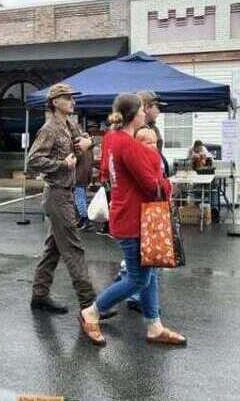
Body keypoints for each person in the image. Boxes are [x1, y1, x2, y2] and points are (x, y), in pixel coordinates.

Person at [81, 93, 185, 347]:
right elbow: (153, 187)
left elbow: (106, 172)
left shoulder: (112, 139)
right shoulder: (128, 144)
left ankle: (154, 325)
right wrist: (168, 182)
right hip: (134, 219)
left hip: (126, 214)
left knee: (147, 274)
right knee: (138, 278)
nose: (145, 114)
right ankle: (92, 312)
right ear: (133, 114)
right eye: (142, 110)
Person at [28, 82, 97, 316]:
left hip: (66, 192)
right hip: (57, 193)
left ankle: (39, 295)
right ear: (55, 102)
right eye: (68, 98)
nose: (73, 102)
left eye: (73, 98)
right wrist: (60, 164)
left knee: (53, 249)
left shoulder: (70, 125)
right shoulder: (50, 129)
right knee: (74, 248)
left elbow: (82, 143)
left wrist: (90, 143)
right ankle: (90, 304)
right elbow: (32, 161)